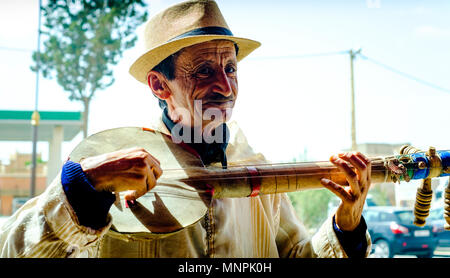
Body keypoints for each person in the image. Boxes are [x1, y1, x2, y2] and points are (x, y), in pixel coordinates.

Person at [0, 0, 372, 258]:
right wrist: (84, 188)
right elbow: (14, 249)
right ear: (159, 86)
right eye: (204, 71)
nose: (225, 88)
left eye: (230, 69)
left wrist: (347, 222)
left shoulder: (257, 170)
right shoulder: (110, 168)